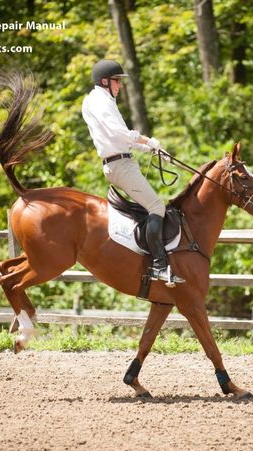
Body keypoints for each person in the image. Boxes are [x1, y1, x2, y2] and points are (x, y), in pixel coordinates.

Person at [81, 59, 185, 287]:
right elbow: (119, 132)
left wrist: (152, 149)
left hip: (122, 161)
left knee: (153, 207)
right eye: (117, 81)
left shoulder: (102, 100)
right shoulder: (100, 101)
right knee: (157, 207)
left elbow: (122, 139)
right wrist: (147, 139)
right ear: (105, 81)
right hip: (120, 165)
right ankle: (158, 265)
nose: (120, 85)